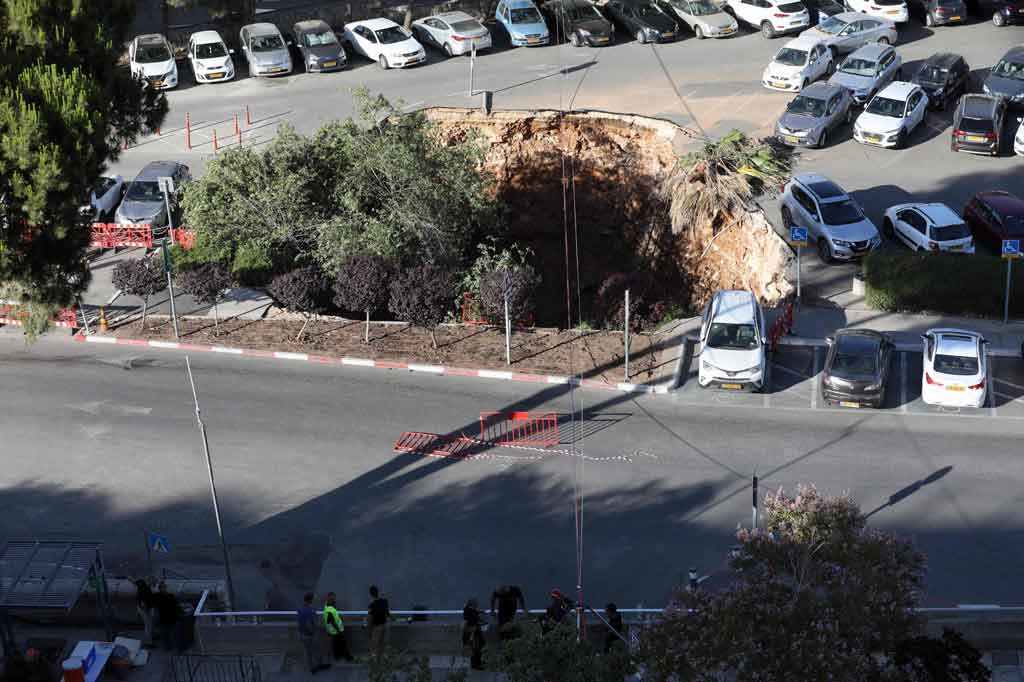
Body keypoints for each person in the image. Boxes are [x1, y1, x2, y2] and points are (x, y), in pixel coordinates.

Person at [298, 593, 331, 673]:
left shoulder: (300, 609)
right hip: (310, 634)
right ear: (311, 600)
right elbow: (310, 623)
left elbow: (300, 621)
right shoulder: (311, 611)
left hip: (302, 634)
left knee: (308, 652)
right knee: (316, 650)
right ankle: (319, 665)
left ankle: (312, 668)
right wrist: (312, 632)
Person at [322, 593, 354, 662]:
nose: (334, 600)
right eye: (333, 599)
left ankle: (337, 656)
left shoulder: (327, 606)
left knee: (336, 644)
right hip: (336, 630)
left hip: (333, 630)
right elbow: (331, 621)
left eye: (334, 598)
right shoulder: (330, 609)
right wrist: (338, 630)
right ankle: (348, 657)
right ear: (329, 599)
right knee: (343, 643)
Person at [152, 582, 183, 652]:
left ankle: (168, 647)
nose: (164, 589)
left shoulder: (157, 596)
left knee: (167, 634)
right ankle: (172, 647)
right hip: (168, 618)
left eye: (164, 587)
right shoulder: (169, 596)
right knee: (169, 634)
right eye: (163, 587)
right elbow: (176, 606)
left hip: (166, 618)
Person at [462, 598, 485, 671]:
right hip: (472, 633)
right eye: (476, 604)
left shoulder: (470, 610)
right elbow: (465, 624)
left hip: (475, 632)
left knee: (478, 647)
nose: (477, 605)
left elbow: (475, 613)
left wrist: (480, 612)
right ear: (472, 604)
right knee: (476, 649)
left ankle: (478, 663)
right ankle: (476, 665)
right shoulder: (468, 612)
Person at [367, 585, 390, 655]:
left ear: (371, 594)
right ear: (378, 592)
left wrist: (369, 630)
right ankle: (383, 660)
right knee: (383, 644)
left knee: (375, 645)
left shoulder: (372, 605)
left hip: (377, 627)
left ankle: (375, 661)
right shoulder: (384, 601)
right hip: (385, 626)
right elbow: (388, 613)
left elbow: (370, 618)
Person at [134, 578, 155, 647]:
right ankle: (148, 642)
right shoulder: (144, 589)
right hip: (145, 609)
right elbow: (144, 604)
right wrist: (148, 612)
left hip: (144, 608)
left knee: (148, 625)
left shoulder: (142, 587)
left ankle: (149, 639)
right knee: (148, 625)